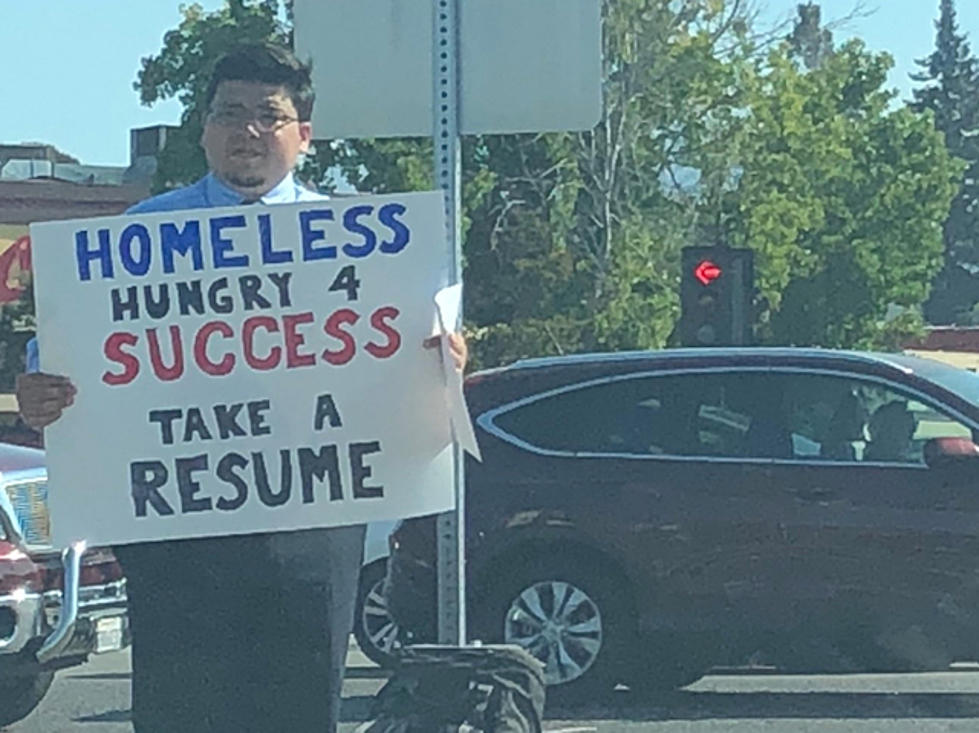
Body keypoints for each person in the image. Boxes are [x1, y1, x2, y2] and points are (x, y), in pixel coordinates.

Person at [16, 42, 467, 733]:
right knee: (181, 714)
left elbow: (417, 376)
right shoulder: (142, 234)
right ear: (203, 129)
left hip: (313, 532)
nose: (248, 131)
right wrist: (41, 392)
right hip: (176, 534)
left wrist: (444, 364)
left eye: (268, 115)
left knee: (297, 713)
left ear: (303, 135)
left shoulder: (365, 244)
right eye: (230, 113)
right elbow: (60, 366)